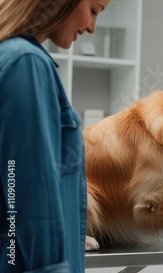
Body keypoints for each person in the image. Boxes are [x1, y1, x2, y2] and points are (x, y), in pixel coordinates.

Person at [0, 0, 110, 272]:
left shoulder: (10, 55)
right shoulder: (26, 63)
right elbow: (28, 193)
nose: (93, 27)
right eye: (94, 10)